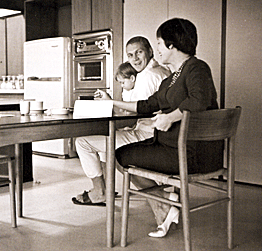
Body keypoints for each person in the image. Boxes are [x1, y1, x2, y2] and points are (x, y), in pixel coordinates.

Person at [100, 18, 222, 238]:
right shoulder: (171, 79)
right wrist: (110, 103)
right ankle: (166, 202)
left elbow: (199, 100)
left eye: (159, 44)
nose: (157, 49)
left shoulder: (197, 68)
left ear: (172, 45)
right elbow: (147, 105)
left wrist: (171, 117)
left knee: (120, 155)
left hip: (192, 154)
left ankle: (165, 203)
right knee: (121, 154)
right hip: (175, 148)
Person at [72, 37, 170, 206]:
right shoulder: (162, 71)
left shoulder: (147, 77)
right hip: (160, 133)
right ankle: (107, 189)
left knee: (82, 142)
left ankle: (100, 191)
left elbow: (135, 113)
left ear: (150, 51)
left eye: (139, 52)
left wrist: (108, 105)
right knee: (107, 140)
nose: (135, 58)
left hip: (148, 136)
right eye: (130, 55)